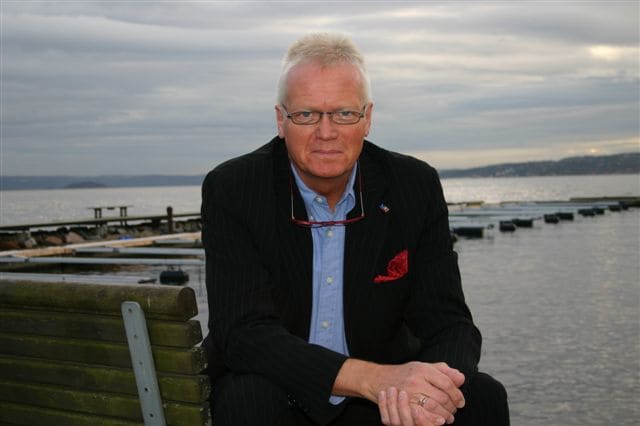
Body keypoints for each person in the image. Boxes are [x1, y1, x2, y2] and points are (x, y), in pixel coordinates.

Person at [201, 33, 509, 426]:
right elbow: (244, 334)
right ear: (281, 120)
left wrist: (428, 391)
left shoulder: (413, 185)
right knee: (250, 400)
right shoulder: (235, 189)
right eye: (306, 114)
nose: (326, 132)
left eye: (344, 114)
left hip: (382, 401)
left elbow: (450, 323)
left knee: (481, 397)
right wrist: (372, 379)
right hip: (278, 388)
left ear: (367, 118)